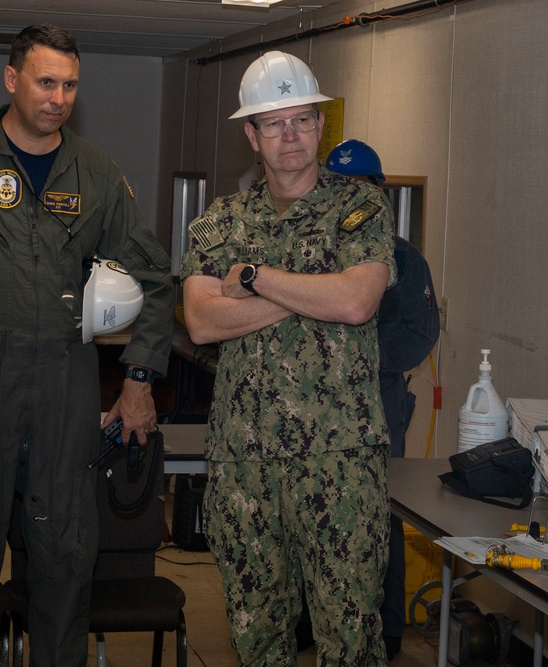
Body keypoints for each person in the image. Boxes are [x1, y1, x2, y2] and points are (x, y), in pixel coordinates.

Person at [181, 52, 397, 665]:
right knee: (257, 640)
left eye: (302, 119)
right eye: (273, 124)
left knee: (350, 638)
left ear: (320, 124)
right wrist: (312, 291)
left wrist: (252, 277)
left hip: (340, 461)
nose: (291, 136)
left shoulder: (360, 207)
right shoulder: (219, 221)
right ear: (251, 135)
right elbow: (200, 320)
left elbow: (357, 301)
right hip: (244, 463)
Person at [0, 24, 174, 666]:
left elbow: (154, 275)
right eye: (46, 82)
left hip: (65, 386)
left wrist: (139, 378)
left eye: (69, 85)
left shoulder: (92, 172)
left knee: (65, 563)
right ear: (12, 80)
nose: (58, 97)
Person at [326, 138, 441, 660]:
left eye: (360, 189)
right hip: (316, 405)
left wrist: (357, 354)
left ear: (379, 194)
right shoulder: (311, 255)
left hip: (380, 399)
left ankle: (388, 623)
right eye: (339, 188)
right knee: (315, 512)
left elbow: (420, 333)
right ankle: (312, 619)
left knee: (380, 512)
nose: (349, 199)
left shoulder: (403, 260)